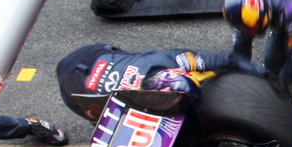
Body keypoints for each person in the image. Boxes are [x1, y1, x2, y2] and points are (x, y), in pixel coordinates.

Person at [56, 42, 264, 121]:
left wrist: (260, 72)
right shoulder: (128, 104)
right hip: (75, 80)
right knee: (102, 116)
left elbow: (220, 60)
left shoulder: (167, 60)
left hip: (100, 55)